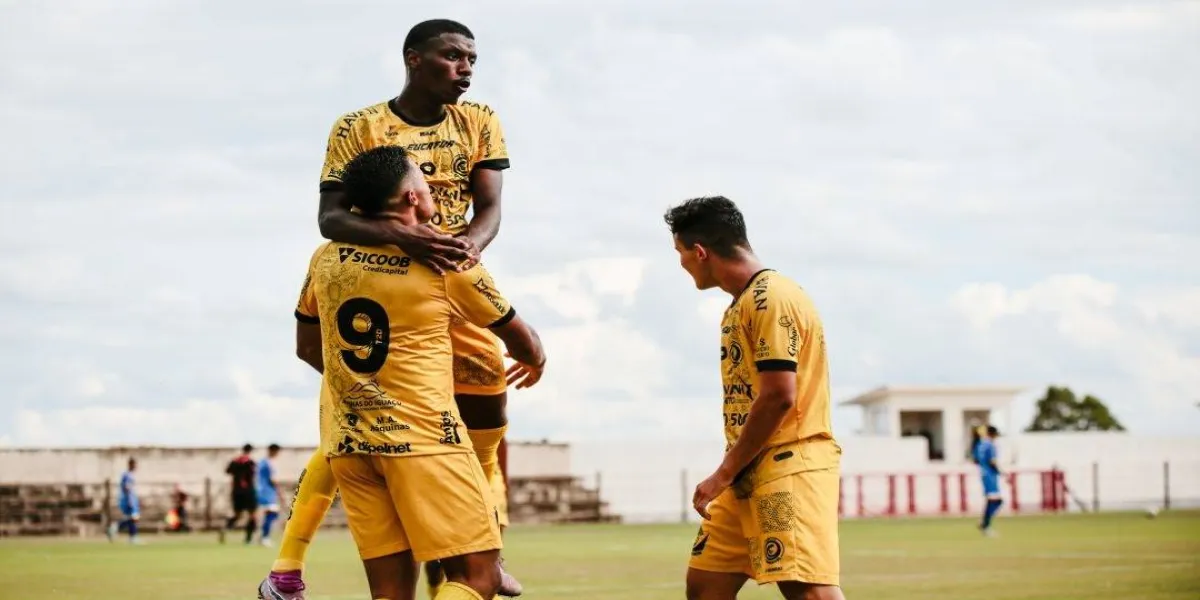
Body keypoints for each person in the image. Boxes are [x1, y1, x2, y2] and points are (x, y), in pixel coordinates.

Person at [262, 18, 524, 598]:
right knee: (349, 425)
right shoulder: (358, 127)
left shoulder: (479, 120)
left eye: (472, 59)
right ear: (414, 58)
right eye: (453, 56)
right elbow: (331, 218)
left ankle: (484, 545)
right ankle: (287, 567)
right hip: (379, 283)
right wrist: (409, 241)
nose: (465, 68)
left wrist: (460, 254)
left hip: (450, 281)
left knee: (487, 412)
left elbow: (490, 208)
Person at [284, 145, 546, 600]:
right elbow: (524, 343)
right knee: (478, 577)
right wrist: (534, 359)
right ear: (411, 197)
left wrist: (369, 387)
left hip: (351, 445)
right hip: (425, 440)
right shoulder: (446, 260)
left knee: (390, 594)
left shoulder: (324, 259)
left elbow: (307, 347)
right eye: (425, 185)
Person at [665, 196, 846, 600]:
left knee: (808, 592)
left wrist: (722, 473)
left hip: (788, 467)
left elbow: (779, 395)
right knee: (706, 585)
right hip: (747, 470)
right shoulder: (741, 304)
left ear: (700, 252)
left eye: (680, 253)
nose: (681, 263)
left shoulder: (772, 298)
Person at [224, 443, 258, 545]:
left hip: (237, 491)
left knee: (237, 515)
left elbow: (227, 471)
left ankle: (225, 528)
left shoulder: (235, 461)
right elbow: (253, 474)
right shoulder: (251, 462)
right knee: (252, 515)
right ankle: (248, 539)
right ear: (250, 451)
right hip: (248, 491)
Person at [974, 425, 1003, 536]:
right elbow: (992, 461)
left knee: (992, 500)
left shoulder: (979, 445)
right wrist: (1001, 473)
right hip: (990, 475)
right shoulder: (990, 445)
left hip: (983, 474)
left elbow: (975, 460)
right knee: (996, 500)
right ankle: (985, 524)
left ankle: (984, 522)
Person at [107, 457, 141, 544]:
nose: (136, 466)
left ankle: (129, 535)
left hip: (131, 500)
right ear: (130, 464)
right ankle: (116, 528)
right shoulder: (127, 475)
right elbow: (126, 488)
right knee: (133, 518)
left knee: (132, 518)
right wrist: (130, 500)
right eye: (134, 464)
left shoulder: (130, 475)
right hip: (128, 500)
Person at [258, 444, 283, 545]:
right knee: (272, 514)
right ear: (273, 451)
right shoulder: (269, 463)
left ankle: (263, 535)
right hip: (267, 492)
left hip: (262, 491)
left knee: (271, 514)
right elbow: (273, 480)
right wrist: (280, 492)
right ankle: (265, 538)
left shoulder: (262, 462)